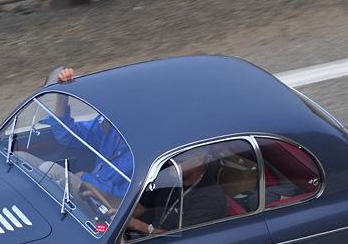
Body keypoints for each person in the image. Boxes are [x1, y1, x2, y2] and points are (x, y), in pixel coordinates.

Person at [36, 68, 133, 208]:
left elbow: (127, 200)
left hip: (101, 202)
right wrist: (62, 94)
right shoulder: (111, 124)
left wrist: (87, 180)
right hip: (87, 185)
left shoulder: (148, 149)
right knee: (20, 157)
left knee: (47, 169)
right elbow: (67, 136)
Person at [126, 145, 228, 235]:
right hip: (152, 236)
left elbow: (180, 240)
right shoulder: (169, 175)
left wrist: (138, 226)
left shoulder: (209, 200)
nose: (171, 164)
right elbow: (143, 206)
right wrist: (121, 217)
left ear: (198, 161)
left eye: (178, 161)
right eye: (171, 159)